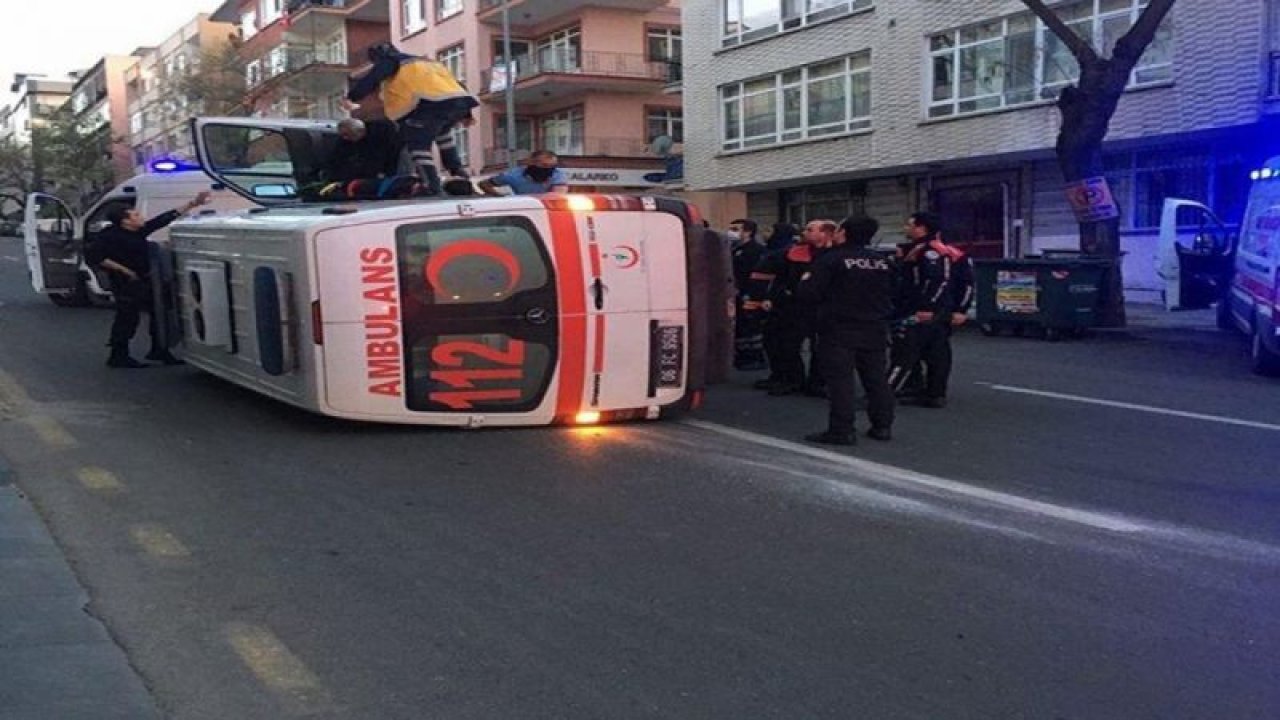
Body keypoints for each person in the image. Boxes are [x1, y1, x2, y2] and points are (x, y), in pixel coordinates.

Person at [797, 215, 897, 446]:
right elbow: (897, 292)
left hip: (839, 328)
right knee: (876, 379)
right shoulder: (883, 261)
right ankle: (882, 426)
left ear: (843, 233)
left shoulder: (832, 260)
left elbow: (809, 293)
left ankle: (842, 430)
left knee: (841, 382)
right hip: (875, 327)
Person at [92, 192, 211, 368]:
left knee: (160, 314)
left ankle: (159, 349)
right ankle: (118, 355)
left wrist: (193, 203)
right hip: (126, 283)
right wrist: (126, 271)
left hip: (148, 280)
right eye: (136, 215)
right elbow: (98, 258)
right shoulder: (108, 236)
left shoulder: (138, 231)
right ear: (125, 221)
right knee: (127, 318)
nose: (141, 217)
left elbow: (163, 219)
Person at [343, 43, 478, 195]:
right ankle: (461, 176)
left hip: (427, 106)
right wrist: (467, 113)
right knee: (444, 139)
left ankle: (431, 186)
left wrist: (352, 97)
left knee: (418, 146)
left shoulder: (391, 61)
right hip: (455, 104)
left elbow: (373, 78)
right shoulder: (427, 63)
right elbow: (455, 84)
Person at [887, 211, 973, 409]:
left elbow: (944, 282)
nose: (906, 229)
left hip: (926, 311)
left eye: (910, 225)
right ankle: (928, 391)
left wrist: (933, 307)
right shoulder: (917, 249)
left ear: (921, 228)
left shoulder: (933, 251)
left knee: (907, 351)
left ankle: (886, 394)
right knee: (934, 351)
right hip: (930, 310)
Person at [748, 219, 836, 395]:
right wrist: (766, 298)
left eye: (810, 230)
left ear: (825, 234)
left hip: (824, 307)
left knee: (822, 347)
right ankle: (789, 378)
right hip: (792, 306)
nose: (805, 232)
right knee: (785, 344)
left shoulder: (836, 255)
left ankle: (818, 382)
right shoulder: (791, 253)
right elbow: (768, 274)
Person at [728, 218, 767, 371]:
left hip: (749, 293)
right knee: (741, 326)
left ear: (748, 231)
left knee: (751, 326)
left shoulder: (756, 250)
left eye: (736, 229)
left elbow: (755, 273)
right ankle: (743, 355)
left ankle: (755, 357)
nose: (732, 232)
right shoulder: (736, 248)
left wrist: (749, 292)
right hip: (737, 292)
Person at [323, 117, 403, 183]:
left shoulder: (379, 140)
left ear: (361, 131)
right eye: (342, 135)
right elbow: (336, 160)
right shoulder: (344, 143)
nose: (345, 138)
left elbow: (386, 159)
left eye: (348, 134)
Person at [478, 150, 569, 195]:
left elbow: (558, 196)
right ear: (531, 162)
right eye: (544, 165)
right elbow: (483, 184)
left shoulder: (558, 174)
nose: (549, 169)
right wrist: (498, 197)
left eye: (552, 166)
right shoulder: (513, 175)